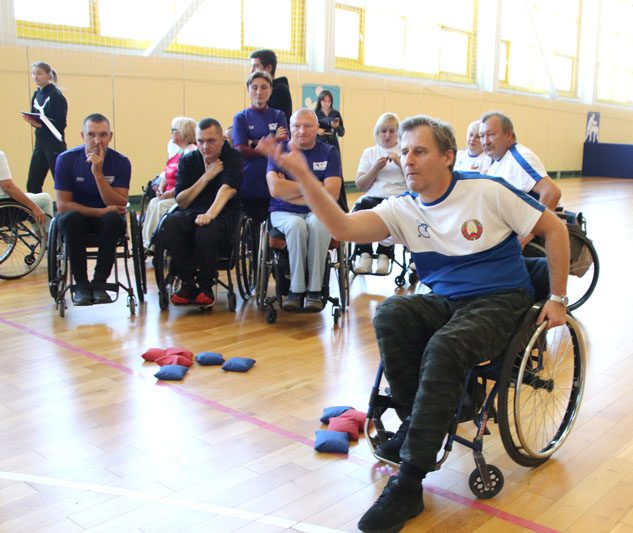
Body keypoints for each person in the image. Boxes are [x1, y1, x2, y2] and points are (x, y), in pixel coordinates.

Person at [260, 114, 569, 532]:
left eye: (419, 151)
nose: (407, 159)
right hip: (447, 299)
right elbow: (343, 227)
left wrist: (557, 299)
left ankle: (408, 483)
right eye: (404, 151)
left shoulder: (487, 190)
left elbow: (555, 230)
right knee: (391, 314)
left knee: (445, 346)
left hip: (500, 298)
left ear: (448, 157)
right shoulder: (403, 208)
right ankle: (421, 419)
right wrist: (302, 174)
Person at [264, 109, 342, 312]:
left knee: (318, 223)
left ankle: (314, 291)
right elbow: (276, 189)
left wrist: (291, 189)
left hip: (318, 211)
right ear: (289, 128)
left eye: (307, 126)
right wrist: (314, 186)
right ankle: (296, 290)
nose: (301, 130)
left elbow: (332, 193)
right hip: (283, 212)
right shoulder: (280, 151)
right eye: (296, 126)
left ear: (317, 128)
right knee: (296, 225)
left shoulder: (329, 152)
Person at [159, 118, 243, 306]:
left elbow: (227, 190)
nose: (205, 146)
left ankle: (205, 286)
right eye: (200, 141)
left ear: (222, 139)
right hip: (191, 211)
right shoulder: (188, 160)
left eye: (211, 141)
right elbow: (182, 199)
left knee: (206, 230)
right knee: (171, 224)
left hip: (222, 212)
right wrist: (206, 177)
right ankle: (188, 282)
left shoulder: (233, 158)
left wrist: (210, 214)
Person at [54, 114, 130, 306]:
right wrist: (99, 212)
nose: (97, 141)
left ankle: (99, 283)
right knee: (71, 218)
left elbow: (119, 203)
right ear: (83, 136)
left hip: (107, 221)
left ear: (110, 136)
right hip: (78, 220)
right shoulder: (66, 160)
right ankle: (80, 284)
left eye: (103, 135)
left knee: (114, 218)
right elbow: (63, 205)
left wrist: (98, 174)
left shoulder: (121, 162)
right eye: (91, 135)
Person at [353, 112, 407, 274]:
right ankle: (365, 254)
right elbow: (360, 185)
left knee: (393, 210)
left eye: (392, 131)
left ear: (398, 133)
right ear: (378, 133)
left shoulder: (405, 151)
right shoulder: (370, 152)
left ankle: (385, 254)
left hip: (398, 196)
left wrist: (399, 162)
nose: (387, 135)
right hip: (374, 195)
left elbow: (416, 180)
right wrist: (375, 168)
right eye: (383, 131)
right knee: (362, 206)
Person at [232, 70, 288, 225]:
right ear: (248, 89)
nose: (259, 92)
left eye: (264, 87)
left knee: (275, 228)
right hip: (251, 181)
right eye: (254, 87)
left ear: (270, 90)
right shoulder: (241, 117)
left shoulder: (279, 115)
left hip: (275, 178)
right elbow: (241, 149)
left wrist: (254, 143)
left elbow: (284, 145)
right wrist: (273, 139)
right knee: (253, 226)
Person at [479, 111, 561, 210]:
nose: (485, 141)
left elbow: (552, 193)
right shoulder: (497, 161)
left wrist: (537, 220)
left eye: (491, 134)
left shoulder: (519, 158)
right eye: (482, 136)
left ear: (508, 135)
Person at [142, 117, 197, 250]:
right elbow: (166, 173)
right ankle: (145, 241)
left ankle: (153, 243)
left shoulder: (192, 152)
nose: (171, 133)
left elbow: (188, 183)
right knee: (153, 202)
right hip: (169, 193)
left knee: (160, 206)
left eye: (173, 130)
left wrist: (169, 194)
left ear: (184, 133)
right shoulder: (176, 151)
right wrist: (161, 188)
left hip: (182, 196)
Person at [22, 61, 68, 194]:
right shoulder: (36, 94)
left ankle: (66, 207)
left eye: (39, 73)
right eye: (33, 74)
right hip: (40, 144)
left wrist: (42, 124)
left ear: (48, 75)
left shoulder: (56, 95)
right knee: (32, 183)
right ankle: (36, 208)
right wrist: (32, 121)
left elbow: (61, 123)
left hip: (54, 145)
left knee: (62, 183)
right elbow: (35, 116)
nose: (35, 77)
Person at [0, 150, 52, 226]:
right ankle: (46, 233)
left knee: (31, 195)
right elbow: (8, 187)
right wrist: (35, 208)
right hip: (4, 208)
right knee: (45, 199)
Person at [250, 49, 292, 125]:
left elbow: (260, 119)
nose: (252, 71)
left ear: (268, 68)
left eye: (256, 66)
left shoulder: (279, 91)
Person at [314, 89, 345, 155]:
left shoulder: (336, 113)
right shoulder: (315, 113)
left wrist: (337, 126)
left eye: (329, 101)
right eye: (324, 101)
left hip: (333, 144)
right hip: (319, 144)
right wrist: (317, 131)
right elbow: (309, 129)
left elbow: (342, 133)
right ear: (320, 101)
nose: (327, 103)